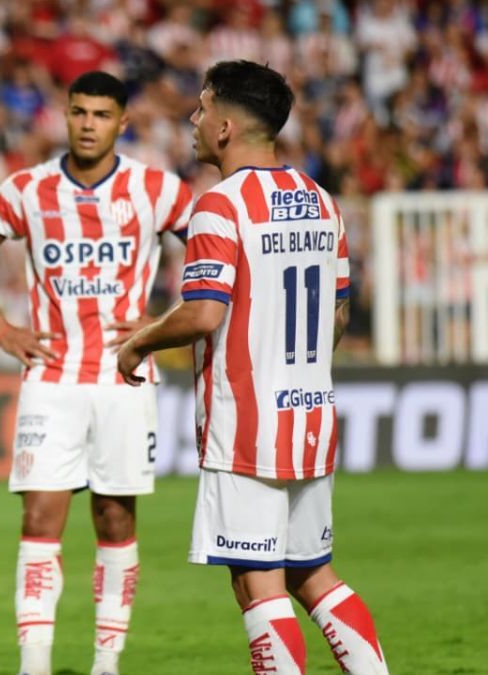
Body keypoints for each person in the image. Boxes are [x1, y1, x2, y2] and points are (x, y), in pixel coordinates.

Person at [117, 60, 388, 674]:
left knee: (256, 585)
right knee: (314, 576)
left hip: (246, 429)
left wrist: (138, 343)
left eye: (202, 107)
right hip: (311, 418)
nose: (193, 119)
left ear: (225, 127)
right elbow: (339, 315)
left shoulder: (219, 205)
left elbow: (203, 313)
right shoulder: (321, 201)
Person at [0, 71, 193, 675]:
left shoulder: (157, 189)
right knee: (39, 516)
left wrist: (163, 321)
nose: (88, 124)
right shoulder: (28, 189)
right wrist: (2, 330)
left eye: (101, 115)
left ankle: (107, 663)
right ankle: (34, 665)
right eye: (79, 112)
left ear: (122, 123)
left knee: (115, 517)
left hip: (123, 379)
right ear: (65, 115)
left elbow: (218, 253)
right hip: (51, 378)